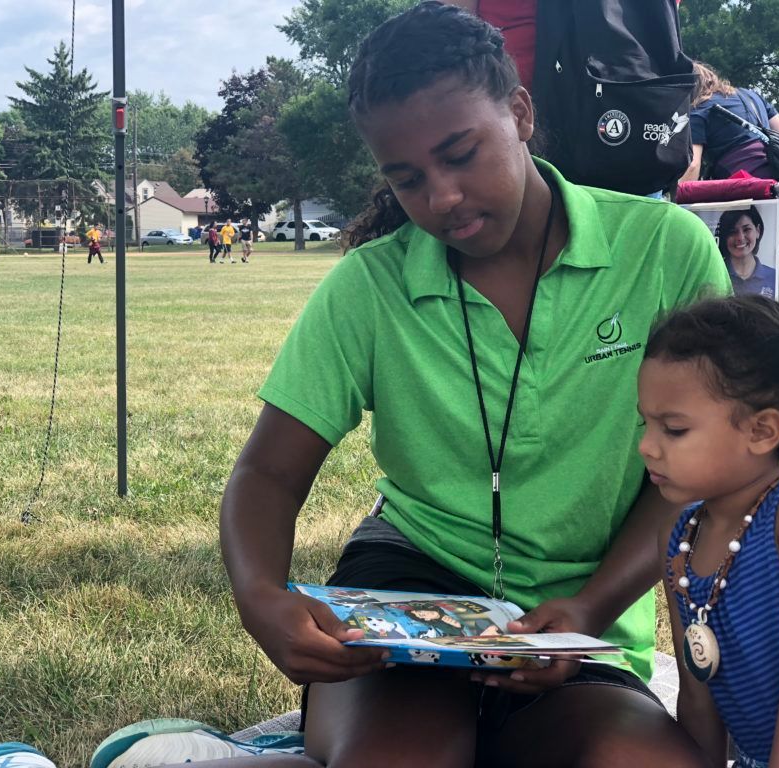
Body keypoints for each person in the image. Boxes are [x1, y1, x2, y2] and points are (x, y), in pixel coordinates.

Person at [219, 4, 732, 766]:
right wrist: (260, 595)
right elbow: (268, 468)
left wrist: (589, 609)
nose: (443, 198)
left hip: (579, 614)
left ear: (520, 113)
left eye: (462, 154)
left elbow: (702, 472)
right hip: (408, 597)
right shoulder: (370, 285)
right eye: (407, 179)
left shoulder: (664, 251)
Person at [638, 295, 779, 768]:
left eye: (673, 430)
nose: (647, 447)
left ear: (762, 431)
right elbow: (698, 692)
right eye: (645, 424)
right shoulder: (679, 539)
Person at [682, 61, 779, 182]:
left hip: (745, 185)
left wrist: (675, 198)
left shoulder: (698, 110)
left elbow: (692, 166)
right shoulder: (751, 96)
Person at [716, 206, 776, 298]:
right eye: (732, 232)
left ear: (758, 231)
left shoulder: (774, 276)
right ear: (724, 237)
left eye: (746, 230)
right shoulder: (715, 274)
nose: (740, 238)